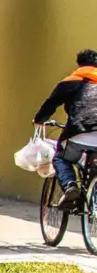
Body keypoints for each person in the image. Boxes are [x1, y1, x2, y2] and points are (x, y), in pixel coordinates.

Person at [33, 49, 97, 206]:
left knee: (60, 157)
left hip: (79, 130)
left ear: (79, 64)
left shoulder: (71, 81)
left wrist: (39, 120)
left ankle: (70, 185)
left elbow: (51, 103)